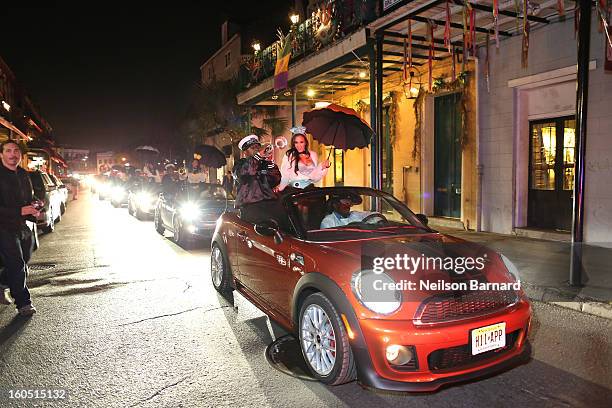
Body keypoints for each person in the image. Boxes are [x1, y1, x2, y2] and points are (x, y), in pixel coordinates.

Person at [0, 140, 39, 316]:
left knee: (25, 258)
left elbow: (29, 197)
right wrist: (20, 210)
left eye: (16, 151)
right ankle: (24, 303)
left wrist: (35, 205)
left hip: (21, 225)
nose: (12, 154)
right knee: (16, 264)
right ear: (1, 154)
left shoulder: (23, 174)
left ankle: (2, 283)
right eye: (8, 151)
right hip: (3, 226)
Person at [233, 134, 284, 227]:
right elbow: (247, 172)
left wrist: (269, 163)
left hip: (269, 203)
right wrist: (258, 156)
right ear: (245, 152)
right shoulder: (240, 164)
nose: (257, 149)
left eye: (258, 147)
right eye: (253, 148)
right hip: (250, 206)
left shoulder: (265, 163)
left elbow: (276, 180)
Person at [276, 127, 330, 193]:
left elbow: (315, 177)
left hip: (309, 189)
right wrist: (280, 188)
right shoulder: (289, 155)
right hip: (294, 190)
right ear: (293, 144)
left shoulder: (313, 155)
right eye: (296, 142)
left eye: (301, 142)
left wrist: (322, 167)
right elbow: (285, 175)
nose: (299, 145)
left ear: (305, 143)